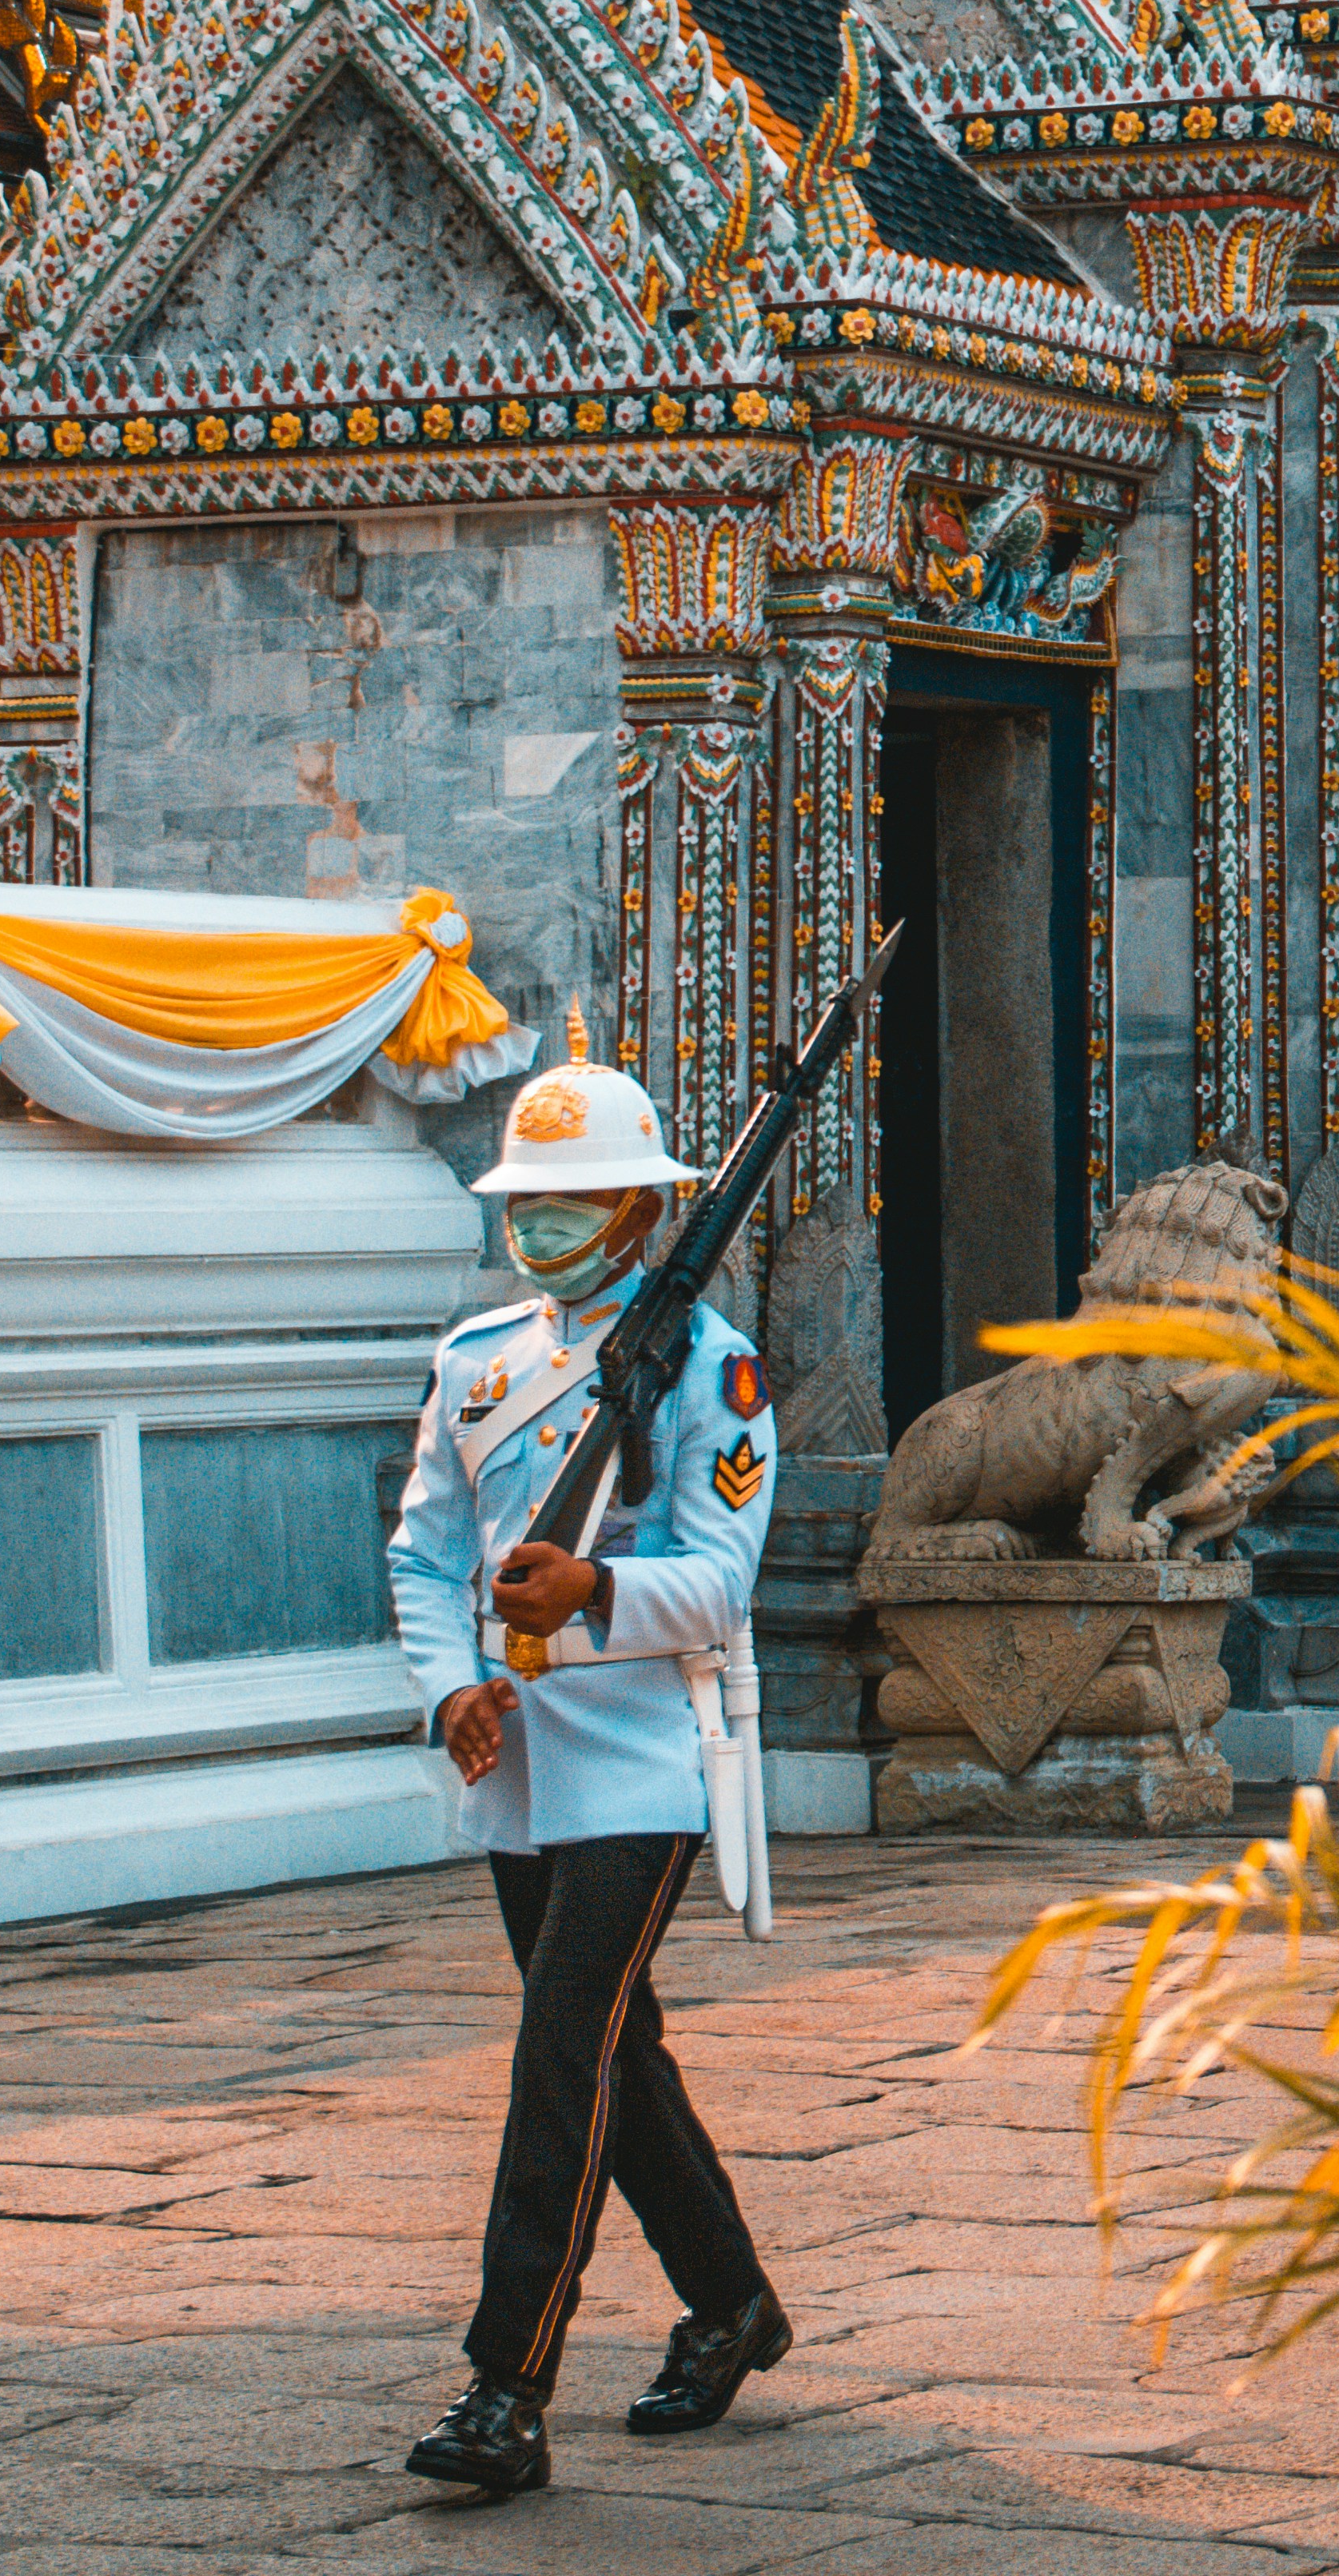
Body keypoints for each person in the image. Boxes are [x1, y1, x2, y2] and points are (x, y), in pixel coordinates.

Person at [386, 1015, 791, 2501]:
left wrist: (594, 1594)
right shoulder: (480, 1360)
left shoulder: (711, 1370)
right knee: (620, 2054)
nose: (539, 1228)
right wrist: (450, 1695)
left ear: (645, 1211)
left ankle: (506, 2387)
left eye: (570, 1204)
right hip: (517, 1767)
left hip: (639, 1761)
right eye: (522, 1209)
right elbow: (428, 1556)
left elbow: (720, 1579)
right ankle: (734, 2302)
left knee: (562, 2050)